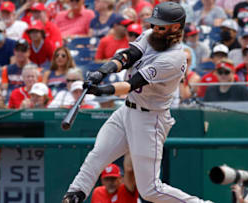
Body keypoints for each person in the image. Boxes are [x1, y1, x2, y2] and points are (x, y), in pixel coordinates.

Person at [62, 2, 213, 203]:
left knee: (150, 190)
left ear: (175, 27)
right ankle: (74, 195)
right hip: (127, 111)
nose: (155, 28)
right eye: (154, 24)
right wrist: (104, 70)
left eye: (161, 25)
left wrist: (103, 90)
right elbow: (128, 55)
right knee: (96, 156)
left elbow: (132, 84)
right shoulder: (152, 36)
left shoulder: (174, 58)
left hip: (150, 119)